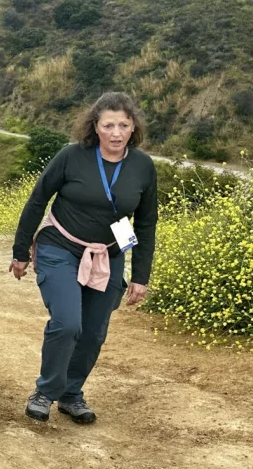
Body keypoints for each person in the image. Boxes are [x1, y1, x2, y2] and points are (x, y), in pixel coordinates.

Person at [10, 92, 158, 425]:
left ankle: (71, 394)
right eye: (109, 125)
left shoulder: (143, 167)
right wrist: (21, 251)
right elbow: (37, 200)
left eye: (124, 125)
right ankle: (45, 392)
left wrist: (140, 276)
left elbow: (146, 223)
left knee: (93, 332)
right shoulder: (72, 156)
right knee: (67, 323)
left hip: (109, 253)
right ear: (95, 127)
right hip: (60, 246)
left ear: (134, 128)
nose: (117, 133)